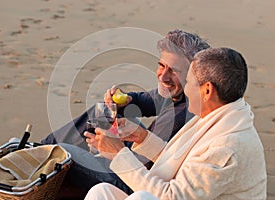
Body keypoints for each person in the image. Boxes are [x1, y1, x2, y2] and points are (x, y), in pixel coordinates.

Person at [84, 47, 267, 200]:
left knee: (142, 199)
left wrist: (119, 155)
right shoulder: (223, 116)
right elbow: (182, 163)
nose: (186, 90)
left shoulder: (227, 146)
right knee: (102, 192)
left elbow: (172, 197)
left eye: (189, 83)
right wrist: (143, 138)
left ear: (207, 90)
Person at [49, 29, 210, 198]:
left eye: (174, 71)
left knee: (63, 152)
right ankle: (32, 148)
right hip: (137, 155)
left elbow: (143, 170)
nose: (163, 77)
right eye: (161, 65)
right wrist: (125, 101)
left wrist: (111, 149)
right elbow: (149, 99)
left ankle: (40, 152)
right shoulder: (181, 93)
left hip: (131, 180)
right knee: (102, 110)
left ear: (192, 75)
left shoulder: (183, 116)